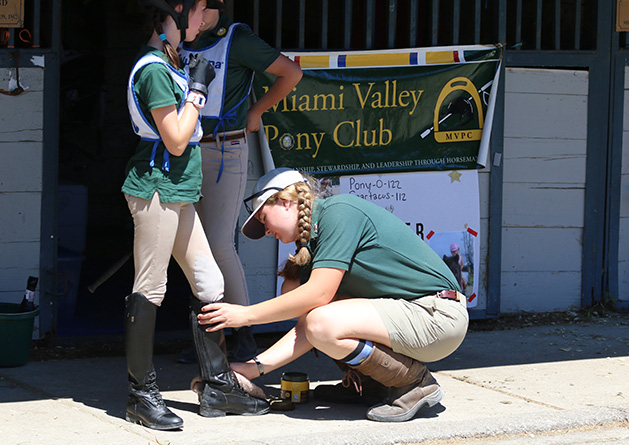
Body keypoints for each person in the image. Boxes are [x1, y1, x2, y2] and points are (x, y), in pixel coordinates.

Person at [121, 0, 268, 430]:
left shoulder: (171, 61)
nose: (207, 18)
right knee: (151, 287)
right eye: (202, 8)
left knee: (210, 284)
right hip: (157, 188)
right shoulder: (153, 70)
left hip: (177, 189)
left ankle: (219, 385)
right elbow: (178, 137)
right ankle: (141, 394)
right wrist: (199, 93)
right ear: (177, 9)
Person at [196, 168, 470, 423]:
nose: (266, 230)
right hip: (412, 316)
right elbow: (306, 328)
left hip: (438, 315)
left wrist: (245, 315)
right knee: (299, 298)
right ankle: (374, 384)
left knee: (320, 316)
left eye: (264, 219)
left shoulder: (339, 212)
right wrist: (252, 369)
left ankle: (414, 382)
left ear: (285, 202)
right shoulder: (314, 243)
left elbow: (319, 297)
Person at [179, 0, 302, 362]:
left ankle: (242, 336)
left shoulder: (237, 38)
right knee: (190, 244)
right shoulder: (179, 38)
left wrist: (258, 111)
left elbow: (290, 73)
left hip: (222, 148)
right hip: (186, 149)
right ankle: (208, 337)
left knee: (218, 243)